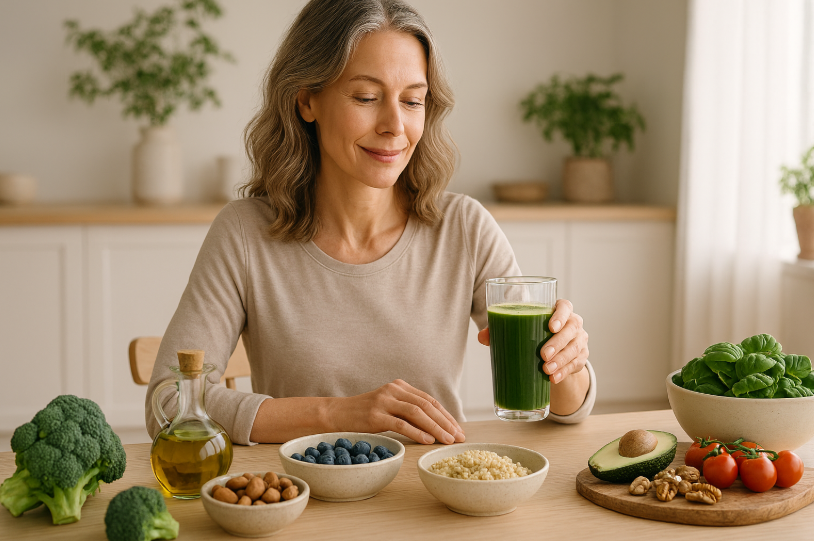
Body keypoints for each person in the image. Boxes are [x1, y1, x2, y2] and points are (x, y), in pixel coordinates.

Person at [145, 0, 594, 446]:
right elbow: (168, 402)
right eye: (366, 97)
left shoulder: (464, 228)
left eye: (413, 100)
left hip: (440, 498)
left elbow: (570, 412)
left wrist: (565, 364)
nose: (395, 126)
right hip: (308, 503)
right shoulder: (245, 234)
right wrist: (339, 414)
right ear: (306, 100)